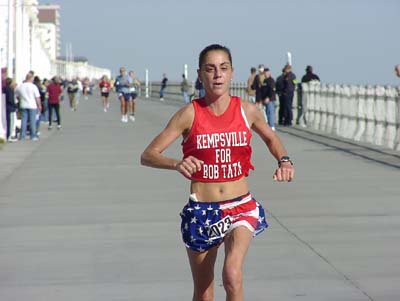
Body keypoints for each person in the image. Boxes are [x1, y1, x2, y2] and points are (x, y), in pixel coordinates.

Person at [141, 44, 295, 301]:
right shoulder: (189, 114)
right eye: (210, 69)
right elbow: (148, 155)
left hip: (240, 206)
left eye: (223, 68)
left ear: (232, 73)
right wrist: (176, 164)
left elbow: (271, 138)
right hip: (202, 210)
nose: (217, 75)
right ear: (200, 74)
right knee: (204, 292)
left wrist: (285, 161)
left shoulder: (247, 110)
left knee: (232, 275)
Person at [15, 73, 42, 141]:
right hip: (32, 105)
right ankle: (33, 135)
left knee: (24, 121)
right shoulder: (33, 86)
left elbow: (16, 95)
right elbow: (37, 97)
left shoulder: (20, 86)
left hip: (23, 105)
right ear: (31, 78)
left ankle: (22, 136)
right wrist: (39, 105)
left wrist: (20, 99)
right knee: (32, 121)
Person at [5, 78, 18, 142]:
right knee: (11, 122)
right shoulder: (10, 90)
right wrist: (15, 105)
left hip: (6, 107)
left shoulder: (4, 89)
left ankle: (8, 135)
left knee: (7, 122)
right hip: (10, 108)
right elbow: (11, 99)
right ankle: (9, 136)